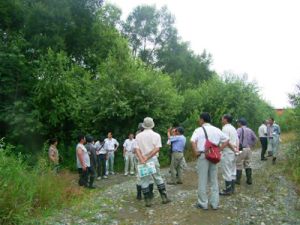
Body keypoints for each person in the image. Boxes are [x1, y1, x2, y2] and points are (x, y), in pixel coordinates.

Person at [191, 112, 229, 210]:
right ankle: (215, 203)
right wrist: (219, 149)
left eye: (199, 119)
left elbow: (192, 141)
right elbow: (227, 139)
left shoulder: (198, 130)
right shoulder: (217, 129)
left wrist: (196, 151)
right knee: (214, 180)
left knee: (202, 180)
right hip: (214, 156)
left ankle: (203, 203)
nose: (199, 121)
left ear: (202, 120)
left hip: (203, 155)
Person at [135, 117, 171, 207]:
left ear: (144, 125)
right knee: (158, 178)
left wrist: (142, 159)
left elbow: (137, 149)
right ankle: (164, 198)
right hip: (152, 159)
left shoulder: (138, 136)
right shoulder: (156, 135)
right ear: (152, 125)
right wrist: (147, 157)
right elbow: (157, 149)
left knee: (144, 180)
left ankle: (147, 201)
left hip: (141, 160)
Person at [219, 114, 239, 196]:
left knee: (226, 171)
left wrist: (220, 149)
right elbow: (237, 140)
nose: (221, 120)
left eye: (222, 118)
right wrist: (236, 149)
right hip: (234, 152)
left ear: (226, 119)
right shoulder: (233, 128)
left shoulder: (225, 128)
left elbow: (226, 141)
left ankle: (228, 190)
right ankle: (232, 189)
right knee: (232, 170)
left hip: (227, 151)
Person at [236, 118, 258, 185]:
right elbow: (256, 139)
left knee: (238, 164)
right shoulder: (250, 130)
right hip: (248, 149)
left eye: (238, 122)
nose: (237, 124)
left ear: (240, 123)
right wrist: (252, 145)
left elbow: (236, 138)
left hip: (241, 149)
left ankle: (238, 180)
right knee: (247, 164)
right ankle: (249, 180)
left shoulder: (239, 130)